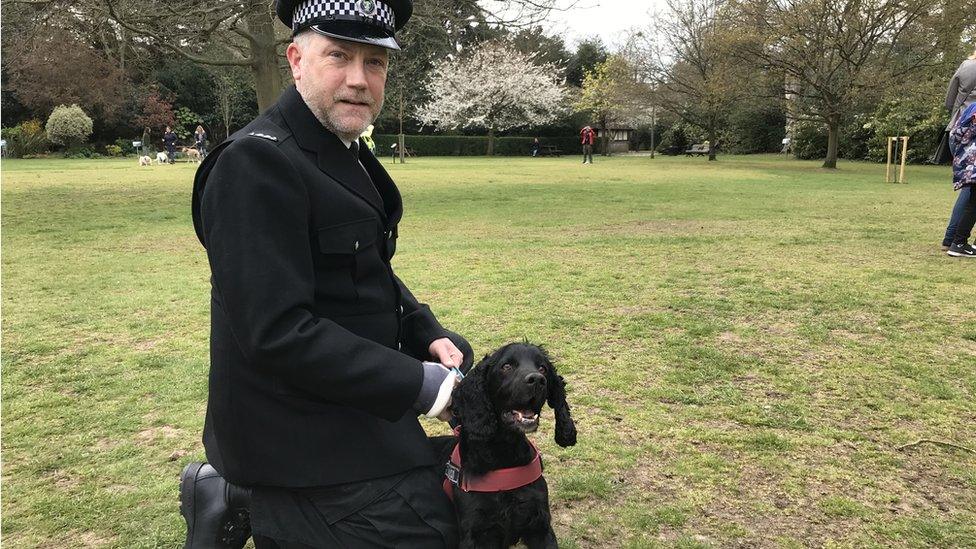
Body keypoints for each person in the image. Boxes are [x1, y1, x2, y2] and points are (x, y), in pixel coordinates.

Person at [181, 0, 472, 547]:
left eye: (375, 62)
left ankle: (233, 496)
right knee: (435, 535)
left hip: (353, 405)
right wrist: (423, 387)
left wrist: (423, 331)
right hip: (295, 436)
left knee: (468, 501)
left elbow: (361, 268)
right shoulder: (256, 163)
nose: (359, 80)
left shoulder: (339, 148)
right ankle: (239, 493)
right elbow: (277, 331)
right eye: (338, 55)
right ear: (296, 59)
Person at [941, 49, 976, 251]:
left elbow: (949, 101)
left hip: (957, 130)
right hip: (973, 133)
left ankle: (952, 238)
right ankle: (956, 239)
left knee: (969, 187)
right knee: (972, 190)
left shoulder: (965, 66)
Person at [947, 102, 976, 258]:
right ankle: (958, 243)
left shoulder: (969, 109)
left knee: (972, 204)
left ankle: (957, 242)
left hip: (967, 163)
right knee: (973, 205)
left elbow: (955, 137)